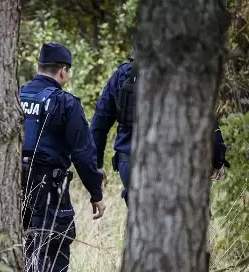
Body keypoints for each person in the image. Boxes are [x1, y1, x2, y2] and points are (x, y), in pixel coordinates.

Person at [20, 43, 106, 272]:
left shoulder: (13, 96)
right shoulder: (64, 103)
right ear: (63, 72)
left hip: (9, 186)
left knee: (11, 245)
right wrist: (96, 193)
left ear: (38, 67)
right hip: (49, 188)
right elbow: (83, 153)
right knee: (52, 244)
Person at [90, 56, 230, 205]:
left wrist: (96, 166)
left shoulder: (122, 74)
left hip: (130, 164)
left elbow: (98, 126)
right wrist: (218, 159)